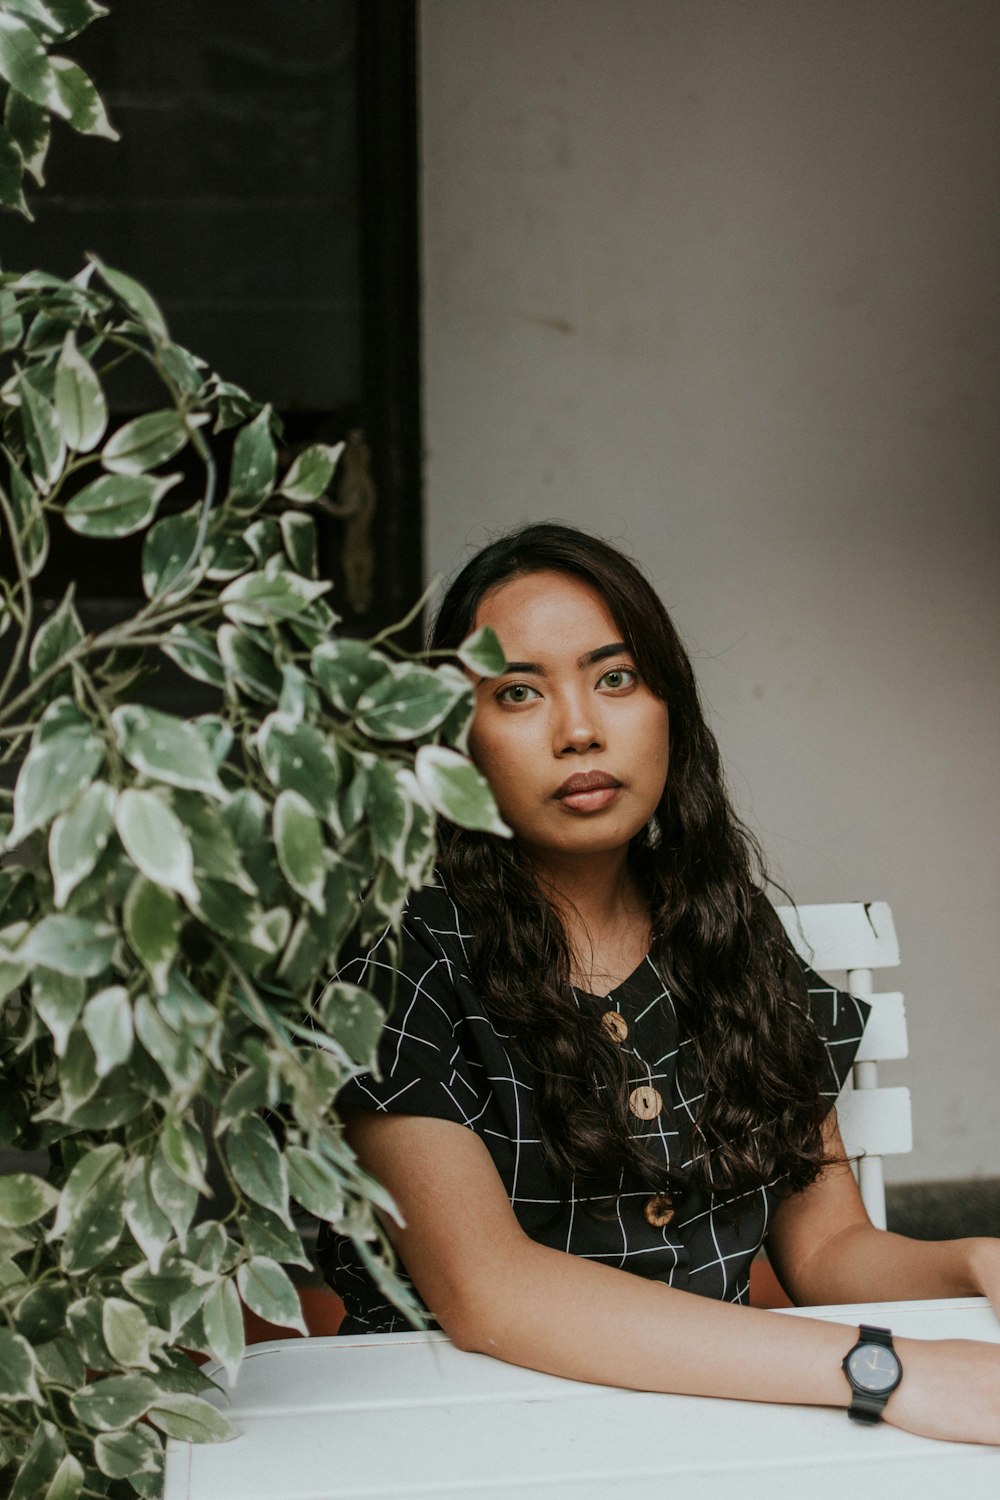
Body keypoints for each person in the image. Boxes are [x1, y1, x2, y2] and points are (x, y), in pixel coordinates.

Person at [317, 522, 1000, 1444]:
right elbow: (489, 1291)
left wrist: (972, 1260)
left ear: (667, 705)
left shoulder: (727, 934)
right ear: (456, 741)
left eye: (615, 677)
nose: (581, 729)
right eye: (518, 693)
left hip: (710, 1432)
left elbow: (828, 1248)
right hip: (465, 1442)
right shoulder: (400, 963)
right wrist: (882, 1369)